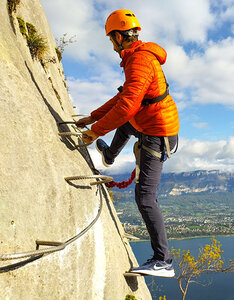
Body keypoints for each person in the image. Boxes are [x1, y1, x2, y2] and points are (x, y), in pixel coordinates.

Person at [76, 9, 179, 278]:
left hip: (158, 134)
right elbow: (123, 100)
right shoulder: (137, 58)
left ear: (120, 36)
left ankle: (163, 261)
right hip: (149, 124)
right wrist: (92, 118)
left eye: (112, 38)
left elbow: (127, 105)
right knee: (124, 122)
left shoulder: (140, 61)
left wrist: (94, 131)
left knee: (145, 197)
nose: (111, 45)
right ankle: (109, 155)